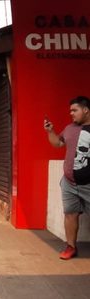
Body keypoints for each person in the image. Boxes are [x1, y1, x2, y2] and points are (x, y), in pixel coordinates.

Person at [45, 95, 90, 260]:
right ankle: (71, 247)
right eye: (70, 110)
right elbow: (57, 143)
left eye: (74, 110)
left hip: (88, 184)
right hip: (69, 183)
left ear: (85, 110)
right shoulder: (70, 128)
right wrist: (50, 131)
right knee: (70, 214)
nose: (71, 113)